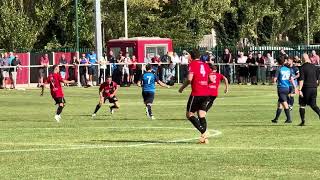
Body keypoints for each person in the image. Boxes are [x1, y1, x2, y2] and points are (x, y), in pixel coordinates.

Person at [178, 49, 213, 144]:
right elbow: (211, 79)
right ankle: (204, 139)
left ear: (191, 56)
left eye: (189, 55)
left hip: (197, 93)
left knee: (189, 114)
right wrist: (204, 82)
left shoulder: (192, 64)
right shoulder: (205, 65)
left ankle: (204, 131)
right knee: (201, 114)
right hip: (206, 93)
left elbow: (189, 79)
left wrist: (182, 88)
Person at [272, 58, 297, 124]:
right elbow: (291, 78)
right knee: (280, 103)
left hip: (281, 88)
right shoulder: (289, 69)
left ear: (278, 62)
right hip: (287, 88)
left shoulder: (279, 69)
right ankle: (276, 119)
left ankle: (289, 119)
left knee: (285, 103)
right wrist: (295, 87)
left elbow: (274, 79)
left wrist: (273, 81)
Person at [298, 53, 320, 126]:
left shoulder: (302, 67)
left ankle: (303, 121)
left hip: (306, 88)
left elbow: (301, 80)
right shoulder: (315, 67)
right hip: (314, 88)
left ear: (303, 59)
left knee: (302, 104)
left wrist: (299, 89)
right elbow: (317, 80)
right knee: (313, 105)